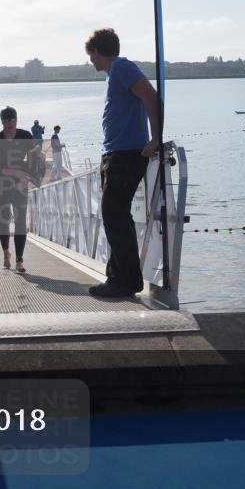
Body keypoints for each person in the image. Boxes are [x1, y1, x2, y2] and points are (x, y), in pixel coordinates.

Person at [84, 28, 160, 298]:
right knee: (116, 216)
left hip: (126, 154)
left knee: (114, 214)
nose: (90, 61)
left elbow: (150, 95)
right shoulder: (116, 72)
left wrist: (155, 139)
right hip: (117, 153)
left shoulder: (121, 67)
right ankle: (123, 277)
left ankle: (123, 281)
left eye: (90, 55)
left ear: (97, 52)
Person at [0, 106, 39, 273]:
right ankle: (5, 252)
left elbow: (34, 162)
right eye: (6, 120)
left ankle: (19, 260)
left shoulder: (26, 136)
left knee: (20, 222)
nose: (10, 123)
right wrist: (13, 171)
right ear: (2, 122)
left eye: (12, 120)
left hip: (19, 186)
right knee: (4, 220)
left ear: (17, 120)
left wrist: (27, 178)